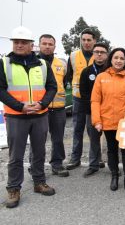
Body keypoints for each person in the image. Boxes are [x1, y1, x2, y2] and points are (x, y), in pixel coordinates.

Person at [0, 26, 57, 208]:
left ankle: (39, 182)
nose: (19, 45)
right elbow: (1, 90)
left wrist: (42, 104)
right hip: (17, 116)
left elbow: (52, 87)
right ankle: (14, 188)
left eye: (23, 42)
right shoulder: (4, 63)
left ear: (31, 45)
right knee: (16, 155)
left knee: (39, 151)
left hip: (39, 115)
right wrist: (20, 107)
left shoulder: (42, 64)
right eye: (16, 42)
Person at [91, 48, 125, 194]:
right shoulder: (101, 77)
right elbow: (95, 101)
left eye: (122, 58)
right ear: (111, 59)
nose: (119, 61)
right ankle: (114, 176)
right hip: (107, 122)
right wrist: (96, 121)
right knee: (111, 151)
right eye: (116, 58)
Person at [37, 34, 69, 177]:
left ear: (55, 46)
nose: (47, 46)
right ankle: (35, 166)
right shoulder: (33, 62)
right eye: (44, 43)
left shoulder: (62, 64)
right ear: (39, 45)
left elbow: (65, 81)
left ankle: (57, 164)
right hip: (39, 108)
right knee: (38, 139)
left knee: (57, 139)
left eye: (50, 44)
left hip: (58, 108)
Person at [66, 29, 96, 170]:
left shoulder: (99, 55)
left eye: (89, 40)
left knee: (94, 130)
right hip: (78, 98)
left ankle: (96, 158)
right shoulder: (73, 56)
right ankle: (75, 158)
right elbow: (70, 75)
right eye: (83, 40)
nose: (86, 42)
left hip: (95, 99)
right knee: (77, 129)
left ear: (94, 41)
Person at [79, 43, 109, 177]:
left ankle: (113, 166)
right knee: (94, 140)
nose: (99, 54)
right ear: (93, 54)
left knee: (113, 140)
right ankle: (93, 165)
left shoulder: (111, 71)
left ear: (107, 54)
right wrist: (93, 108)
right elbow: (84, 93)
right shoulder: (86, 72)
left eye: (102, 52)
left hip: (109, 111)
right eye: (96, 52)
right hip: (92, 111)